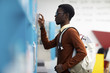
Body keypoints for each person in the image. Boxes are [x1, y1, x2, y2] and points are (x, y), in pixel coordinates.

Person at [38, 4, 87, 73]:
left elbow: (83, 52)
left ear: (66, 15)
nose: (55, 16)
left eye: (57, 13)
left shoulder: (71, 32)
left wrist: (64, 67)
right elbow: (47, 45)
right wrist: (42, 27)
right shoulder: (61, 33)